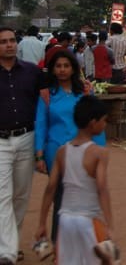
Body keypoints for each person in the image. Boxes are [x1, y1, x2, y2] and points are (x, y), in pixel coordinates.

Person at [35, 96, 116, 265]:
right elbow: (102, 188)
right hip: (88, 218)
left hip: (65, 219)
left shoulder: (62, 152)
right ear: (93, 123)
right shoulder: (99, 153)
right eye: (103, 121)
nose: (105, 124)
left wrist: (42, 223)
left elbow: (51, 187)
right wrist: (110, 224)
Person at [34, 50, 102, 241]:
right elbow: (40, 125)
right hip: (55, 152)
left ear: (73, 69)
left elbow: (95, 122)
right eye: (58, 66)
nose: (62, 70)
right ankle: (59, 244)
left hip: (83, 151)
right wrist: (39, 154)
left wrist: (98, 151)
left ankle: (83, 242)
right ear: (53, 70)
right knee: (60, 197)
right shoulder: (47, 95)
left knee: (85, 195)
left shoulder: (85, 93)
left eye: (66, 66)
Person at [0, 26, 46, 265]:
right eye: (3, 42)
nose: (8, 45)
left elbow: (48, 97)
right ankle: (6, 252)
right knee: (2, 196)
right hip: (0, 142)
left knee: (21, 195)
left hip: (27, 137)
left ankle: (12, 242)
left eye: (11, 40)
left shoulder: (31, 72)